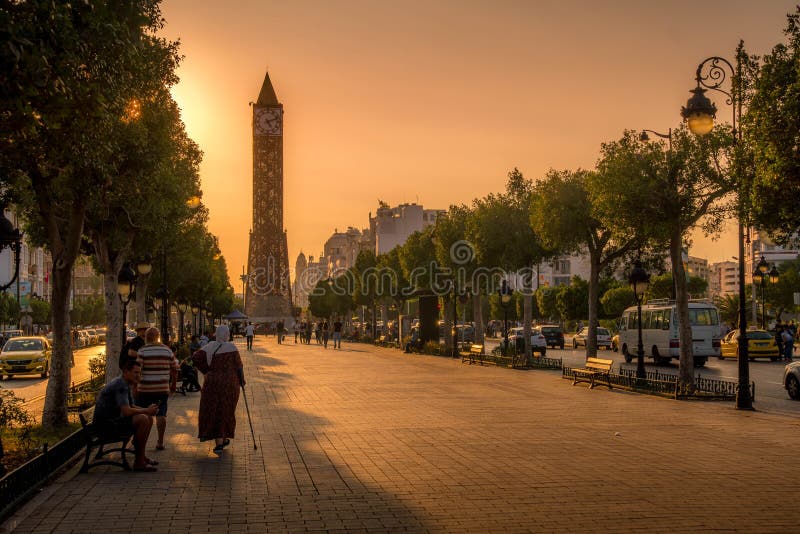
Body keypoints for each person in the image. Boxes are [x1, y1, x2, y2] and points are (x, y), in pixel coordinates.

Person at [93, 360, 159, 472]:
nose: (139, 376)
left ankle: (141, 456)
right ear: (125, 371)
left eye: (140, 373)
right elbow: (126, 412)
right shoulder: (120, 385)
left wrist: (148, 411)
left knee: (147, 417)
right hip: (106, 427)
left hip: (112, 422)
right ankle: (139, 463)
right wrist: (146, 410)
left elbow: (131, 405)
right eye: (136, 372)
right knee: (143, 419)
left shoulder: (124, 383)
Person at [192, 324, 245, 455]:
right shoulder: (232, 347)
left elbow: (195, 357)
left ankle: (220, 440)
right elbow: (239, 366)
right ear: (227, 334)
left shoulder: (209, 346)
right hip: (230, 384)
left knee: (213, 410)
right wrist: (242, 381)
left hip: (212, 384)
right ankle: (221, 441)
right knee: (226, 410)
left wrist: (206, 371)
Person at [136, 327, 179, 451]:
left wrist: (135, 386)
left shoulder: (142, 351)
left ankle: (140, 441)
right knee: (161, 414)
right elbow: (175, 369)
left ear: (146, 338)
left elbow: (138, 370)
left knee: (144, 414)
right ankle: (160, 441)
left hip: (144, 389)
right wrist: (173, 384)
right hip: (161, 388)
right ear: (158, 336)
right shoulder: (167, 350)